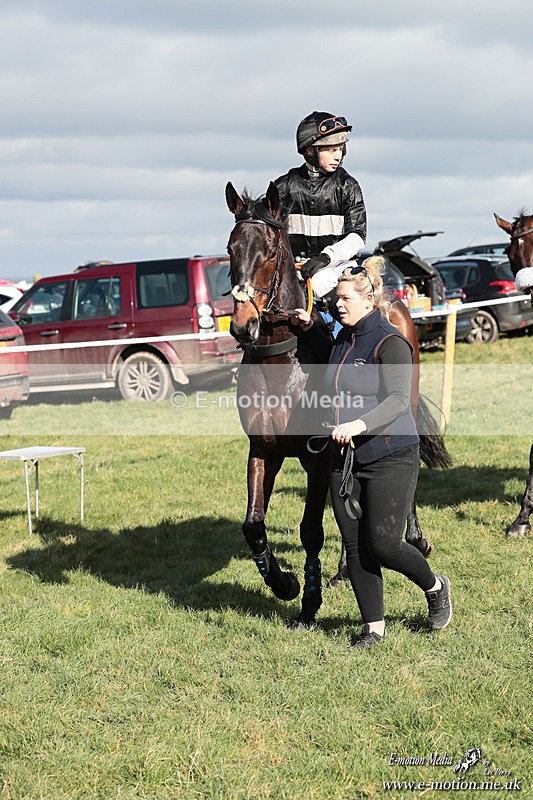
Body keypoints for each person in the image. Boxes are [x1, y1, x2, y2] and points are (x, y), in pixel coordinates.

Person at [290, 256, 452, 648]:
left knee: (384, 544)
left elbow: (398, 400)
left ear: (368, 300)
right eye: (336, 300)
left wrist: (358, 425)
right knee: (354, 544)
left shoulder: (389, 342)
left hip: (391, 454)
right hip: (343, 458)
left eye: (344, 299)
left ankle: (435, 585)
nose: (338, 305)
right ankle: (373, 627)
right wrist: (308, 325)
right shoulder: (342, 339)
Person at [275, 111, 367, 302]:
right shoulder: (283, 187)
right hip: (295, 269)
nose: (338, 156)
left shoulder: (348, 186)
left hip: (337, 268)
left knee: (318, 283)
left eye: (340, 149)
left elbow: (357, 237)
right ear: (310, 150)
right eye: (332, 150)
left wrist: (325, 258)